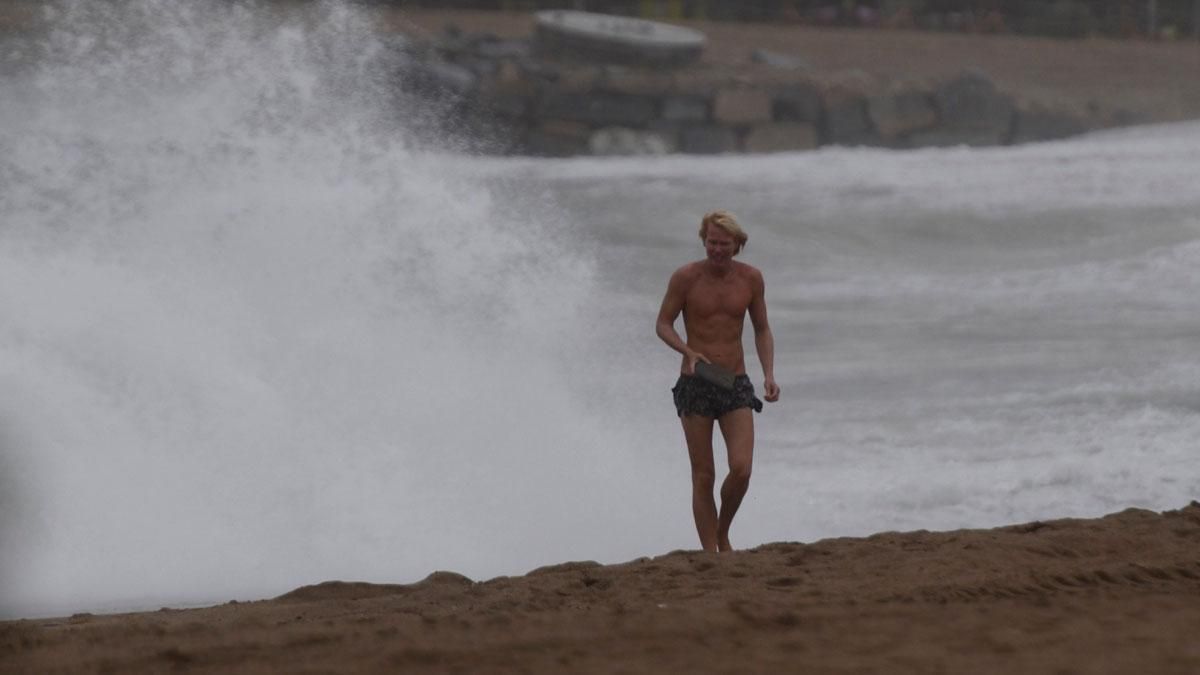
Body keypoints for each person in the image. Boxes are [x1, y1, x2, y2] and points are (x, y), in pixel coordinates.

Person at [655, 210, 780, 553]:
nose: (717, 250)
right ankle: (711, 552)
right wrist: (686, 350)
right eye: (711, 242)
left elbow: (762, 328)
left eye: (724, 244)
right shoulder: (685, 278)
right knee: (703, 475)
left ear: (738, 245)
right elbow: (663, 323)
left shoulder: (751, 279)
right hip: (696, 382)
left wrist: (769, 373)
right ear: (703, 240)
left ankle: (722, 532)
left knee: (741, 469)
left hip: (734, 382)